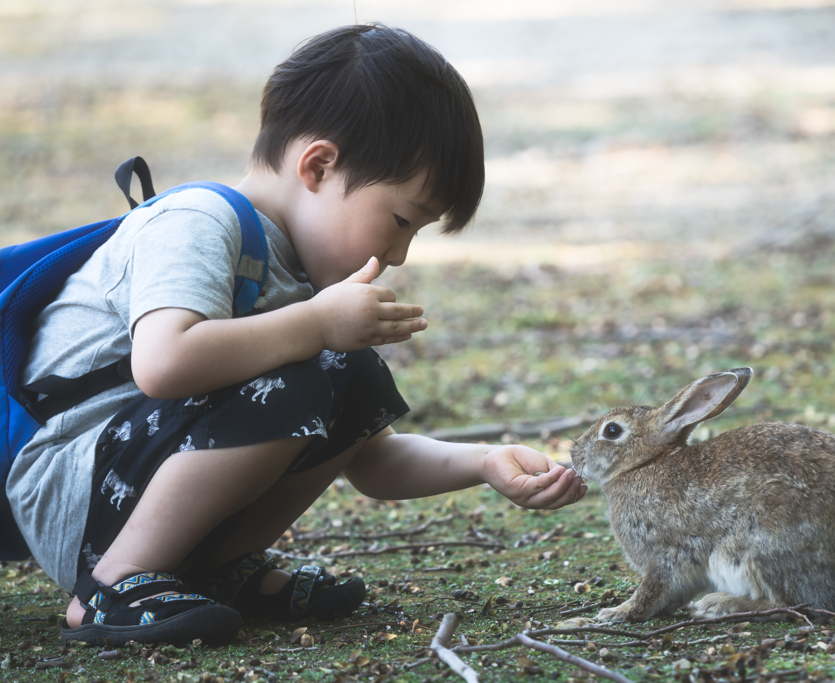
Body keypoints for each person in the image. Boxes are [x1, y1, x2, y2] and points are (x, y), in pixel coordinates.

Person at [7, 23, 587, 647]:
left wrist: (484, 462)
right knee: (320, 367)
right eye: (400, 220)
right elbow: (163, 363)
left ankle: (215, 569)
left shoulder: (296, 281)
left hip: (130, 483)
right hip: (73, 484)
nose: (398, 252)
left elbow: (371, 457)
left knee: (351, 374)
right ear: (319, 164)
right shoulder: (198, 222)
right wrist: (316, 324)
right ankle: (113, 585)